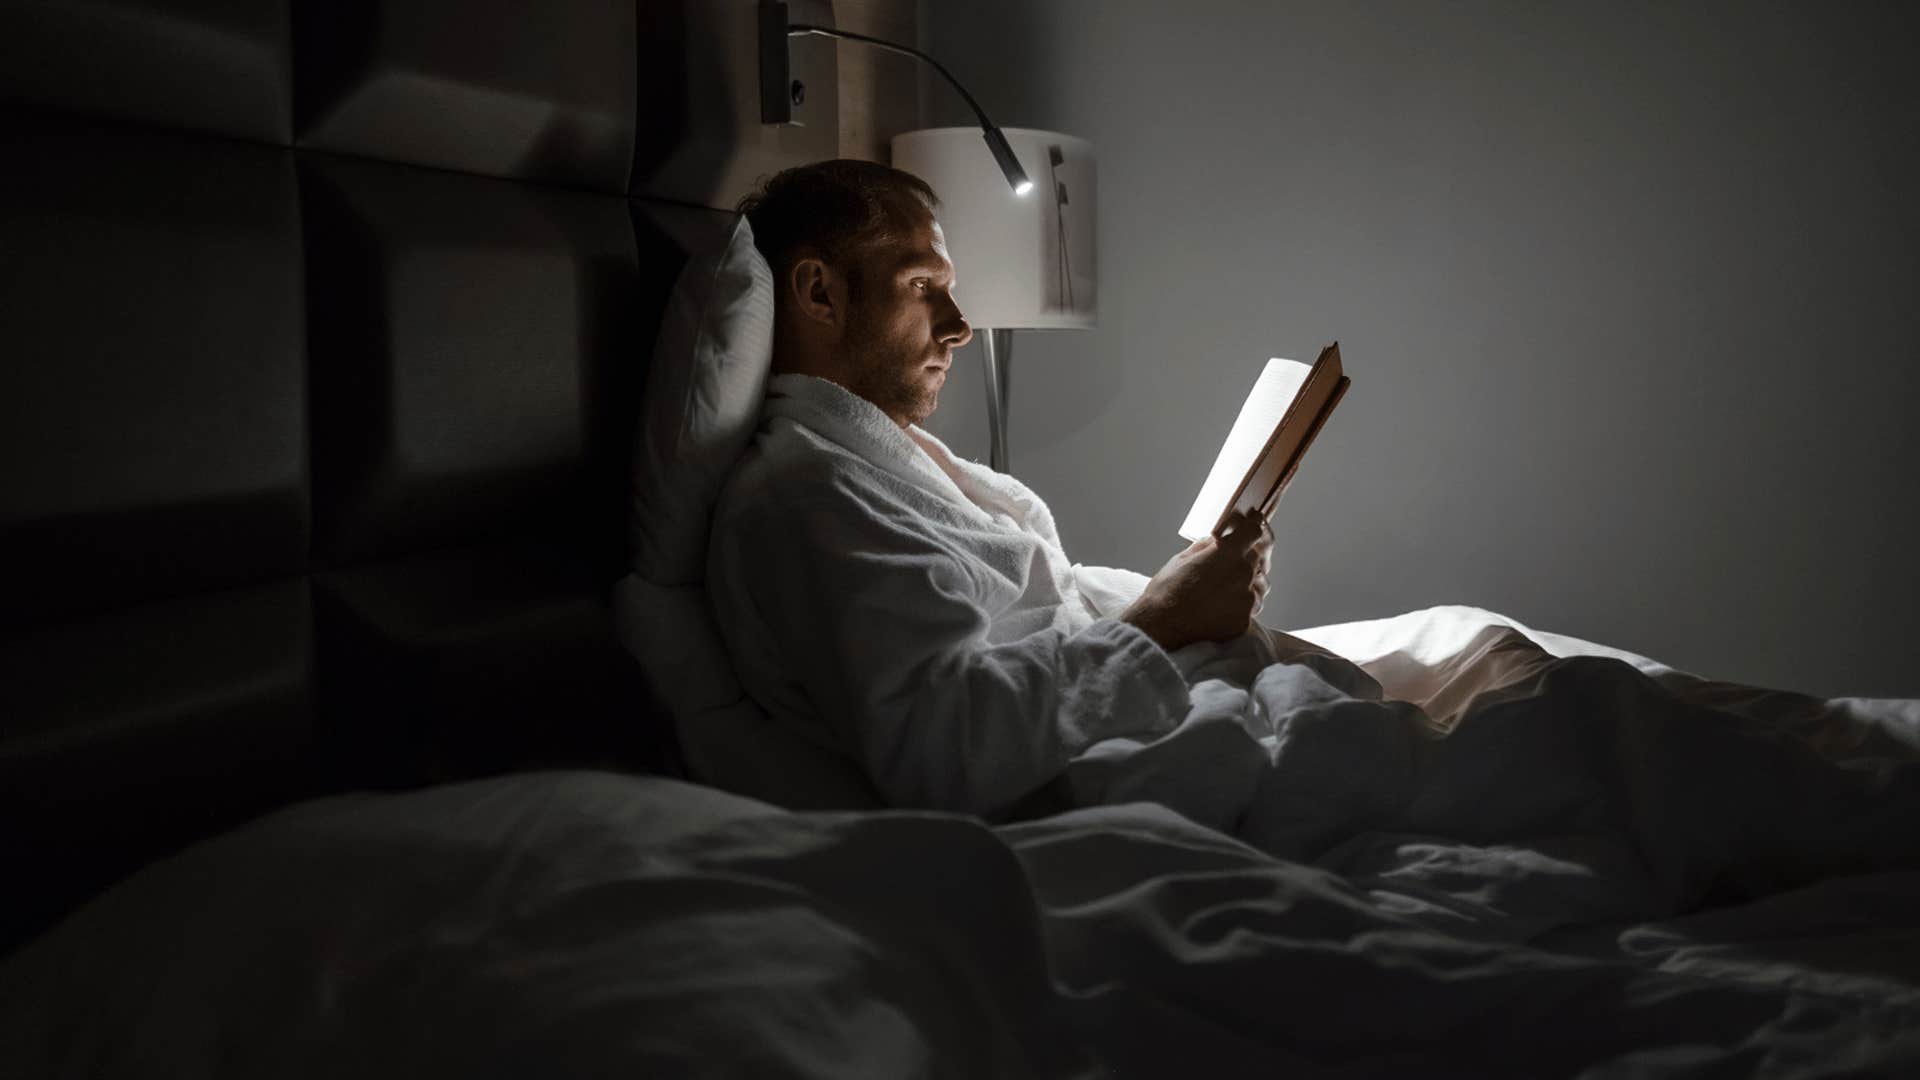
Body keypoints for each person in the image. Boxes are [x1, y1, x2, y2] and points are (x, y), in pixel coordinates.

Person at [706, 159, 1341, 821]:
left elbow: (1037, 608)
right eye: (923, 285)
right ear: (819, 294)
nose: (958, 326)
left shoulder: (877, 463)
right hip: (1089, 792)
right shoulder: (809, 502)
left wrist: (1187, 595)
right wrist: (1161, 622)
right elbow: (943, 747)